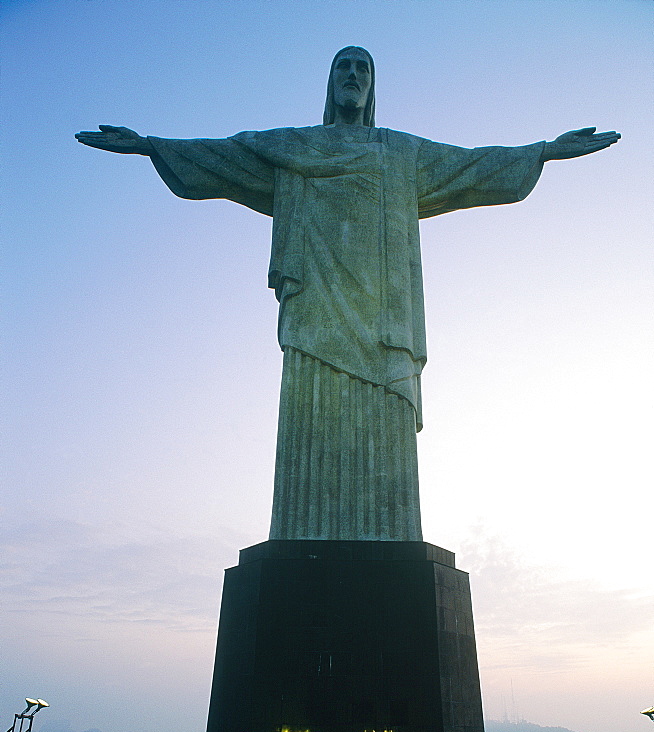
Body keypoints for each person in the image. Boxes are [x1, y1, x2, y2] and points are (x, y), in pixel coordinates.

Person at [76, 49, 620, 545]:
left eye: (363, 68)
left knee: (383, 437)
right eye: (344, 66)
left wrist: (544, 152)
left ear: (373, 87)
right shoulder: (293, 149)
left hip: (384, 325)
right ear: (330, 82)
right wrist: (150, 145)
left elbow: (470, 165)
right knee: (310, 429)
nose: (353, 75)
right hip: (315, 314)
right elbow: (224, 156)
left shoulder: (399, 155)